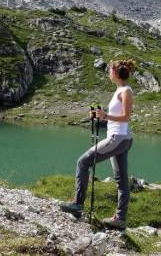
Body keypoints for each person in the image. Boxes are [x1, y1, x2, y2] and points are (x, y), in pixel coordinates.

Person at [60, 58, 136, 229]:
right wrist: (100, 115)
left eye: (110, 70)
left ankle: (77, 204)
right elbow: (118, 117)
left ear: (115, 73)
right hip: (121, 138)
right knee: (121, 179)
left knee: (82, 162)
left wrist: (105, 116)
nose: (108, 73)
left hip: (117, 138)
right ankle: (120, 219)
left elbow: (126, 117)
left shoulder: (125, 91)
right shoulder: (120, 90)